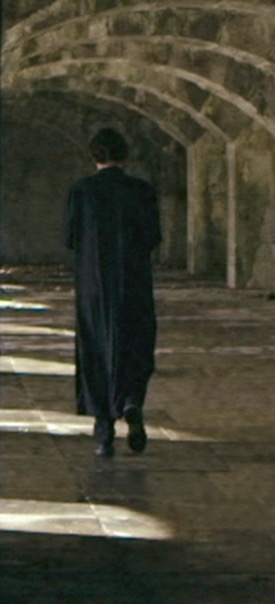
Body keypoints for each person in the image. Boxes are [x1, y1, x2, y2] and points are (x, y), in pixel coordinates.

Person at [63, 128, 162, 458]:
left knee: (95, 348)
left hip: (93, 285)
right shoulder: (141, 190)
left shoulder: (82, 191)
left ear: (94, 156)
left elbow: (70, 237)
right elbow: (153, 237)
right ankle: (131, 400)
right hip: (133, 282)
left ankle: (103, 430)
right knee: (135, 342)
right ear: (125, 155)